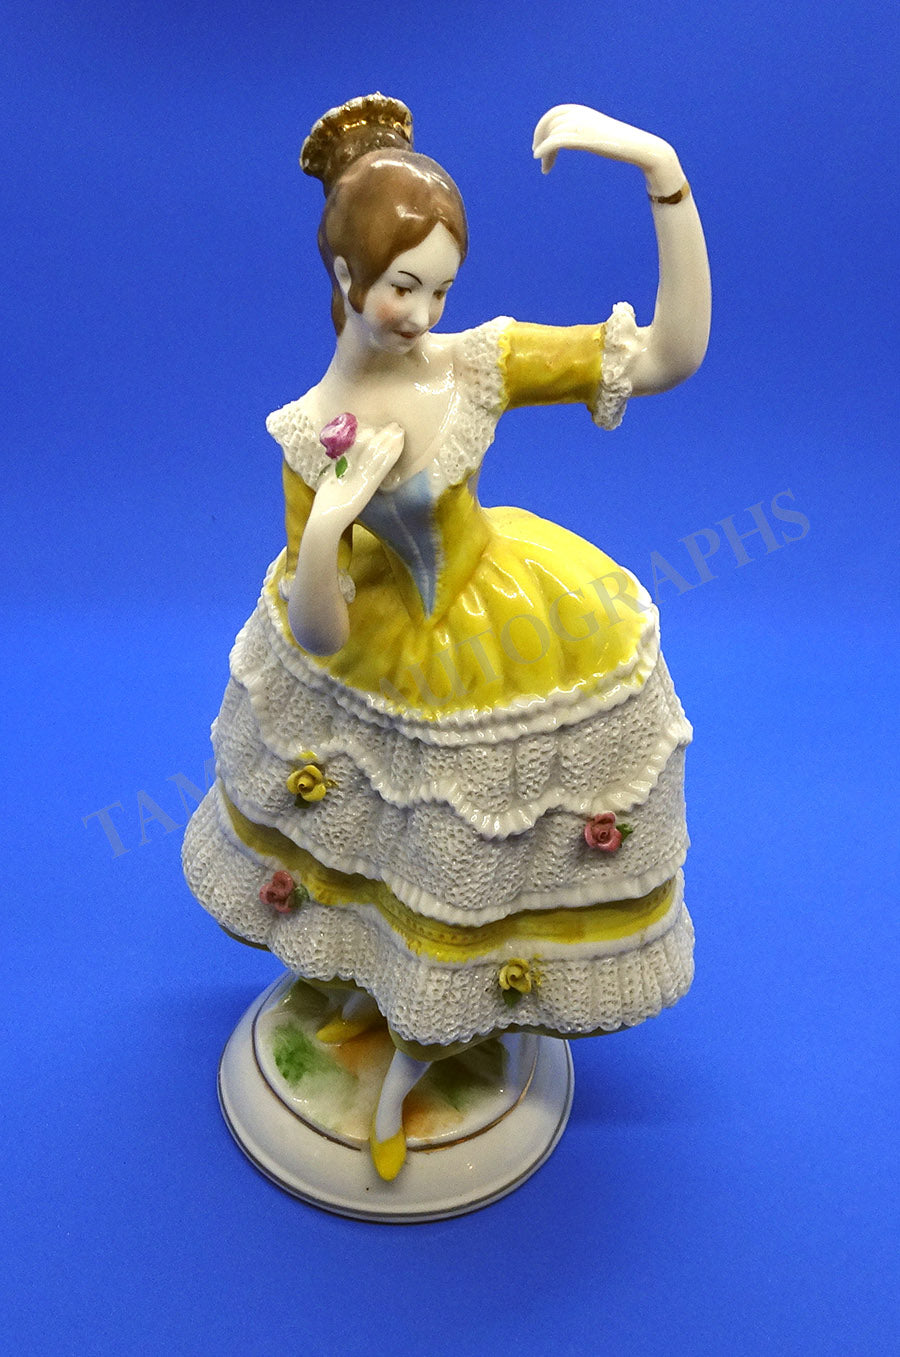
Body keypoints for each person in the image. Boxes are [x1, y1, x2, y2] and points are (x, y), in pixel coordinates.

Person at [183, 94, 711, 1180]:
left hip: (498, 637)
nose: (423, 312)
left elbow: (669, 355)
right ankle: (367, 1003)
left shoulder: (476, 365)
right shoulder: (310, 432)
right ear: (345, 277)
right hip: (368, 653)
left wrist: (661, 172)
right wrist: (329, 520)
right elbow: (319, 631)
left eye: (440, 288)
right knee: (377, 852)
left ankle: (430, 1041)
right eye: (402, 285)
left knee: (466, 861)